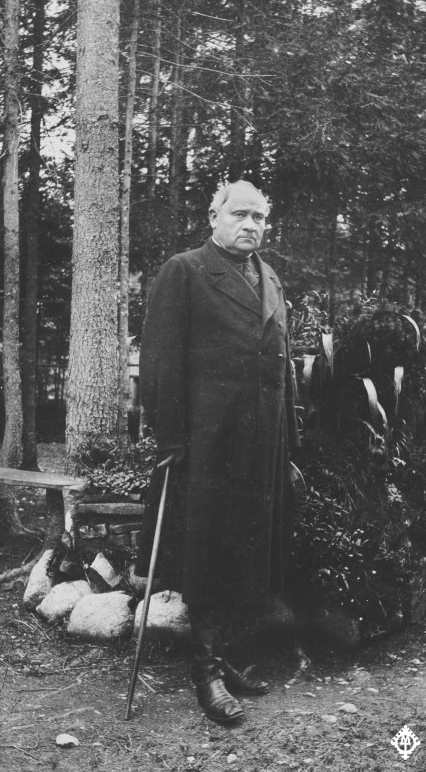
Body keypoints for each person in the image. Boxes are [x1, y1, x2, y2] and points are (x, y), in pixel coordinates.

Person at [135, 180, 299, 725]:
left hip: (262, 443)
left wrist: (288, 439)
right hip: (206, 443)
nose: (250, 225)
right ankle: (204, 672)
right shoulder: (184, 271)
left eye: (259, 217)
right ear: (213, 216)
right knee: (206, 552)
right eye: (240, 214)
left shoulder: (269, 276)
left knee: (242, 551)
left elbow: (281, 362)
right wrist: (170, 439)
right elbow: (160, 360)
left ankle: (223, 658)